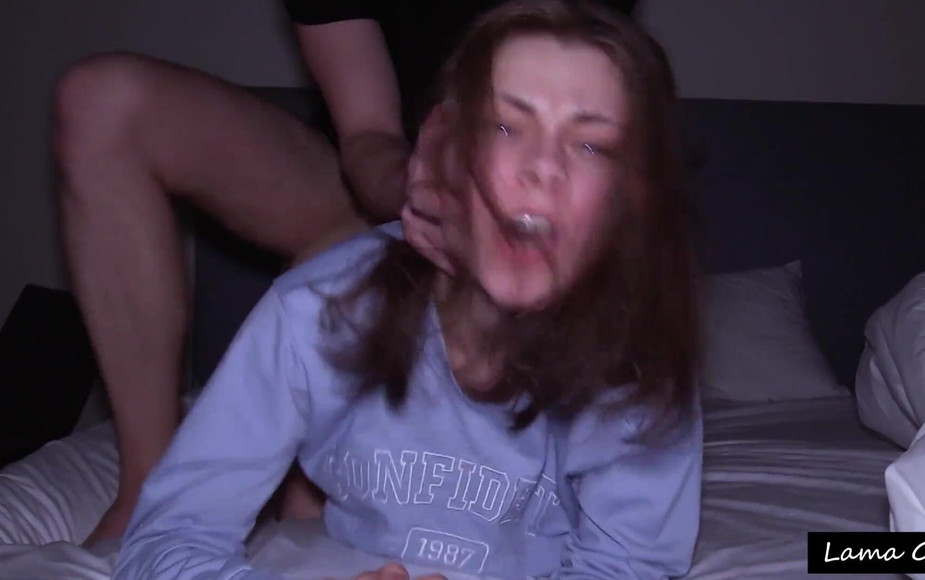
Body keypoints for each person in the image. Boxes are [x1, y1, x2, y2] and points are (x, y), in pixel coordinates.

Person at [113, 1, 703, 578]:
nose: (543, 167)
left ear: (632, 200)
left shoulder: (637, 354)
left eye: (591, 144)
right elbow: (166, 541)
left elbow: (630, 565)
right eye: (503, 126)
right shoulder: (312, 314)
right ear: (438, 152)